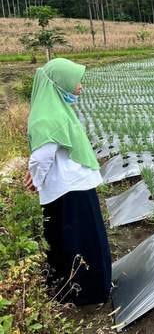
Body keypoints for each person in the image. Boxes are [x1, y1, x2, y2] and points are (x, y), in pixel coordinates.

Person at [24, 58, 111, 305]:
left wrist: (36, 178)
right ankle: (85, 293)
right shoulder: (49, 118)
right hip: (70, 191)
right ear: (60, 84)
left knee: (76, 241)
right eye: (76, 81)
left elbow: (41, 158)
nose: (80, 86)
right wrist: (36, 180)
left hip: (73, 187)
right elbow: (41, 158)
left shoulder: (56, 110)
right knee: (80, 241)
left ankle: (83, 292)